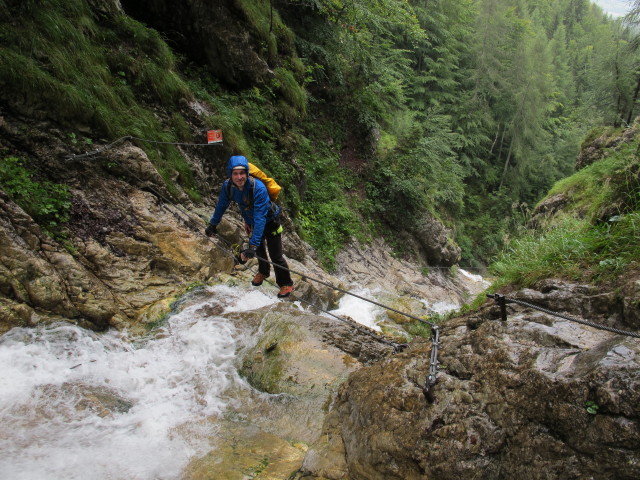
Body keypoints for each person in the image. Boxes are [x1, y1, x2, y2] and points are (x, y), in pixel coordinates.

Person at [205, 155, 294, 298]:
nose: (239, 177)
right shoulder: (228, 187)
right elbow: (221, 205)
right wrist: (213, 224)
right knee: (259, 251)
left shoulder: (258, 188)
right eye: (235, 173)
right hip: (252, 220)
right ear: (230, 174)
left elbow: (260, 218)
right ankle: (263, 272)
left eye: (242, 173)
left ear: (247, 173)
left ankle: (286, 283)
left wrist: (251, 246)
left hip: (270, 221)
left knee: (275, 255)